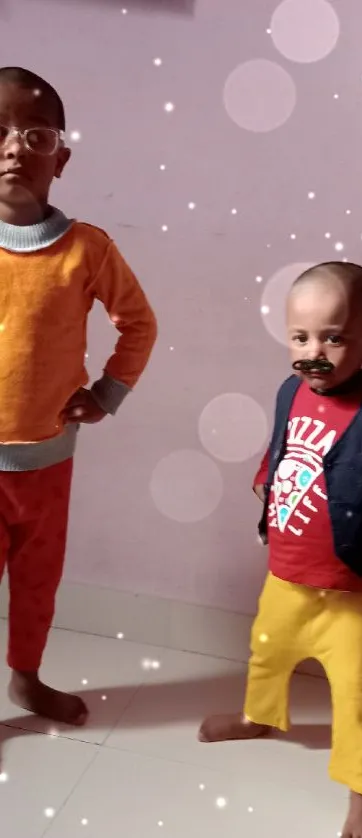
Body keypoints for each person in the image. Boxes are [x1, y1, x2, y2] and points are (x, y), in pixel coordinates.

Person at [199, 261, 362, 838]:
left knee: (359, 695)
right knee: (266, 651)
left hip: (350, 590)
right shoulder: (291, 388)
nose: (314, 352)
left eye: (334, 338)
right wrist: (266, 474)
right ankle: (258, 716)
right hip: (286, 574)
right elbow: (284, 442)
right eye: (301, 337)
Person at [0, 67, 157, 726]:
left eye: (35, 136)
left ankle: (25, 680)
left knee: (37, 587)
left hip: (49, 466)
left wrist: (106, 394)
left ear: (60, 159)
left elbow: (139, 323)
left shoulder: (86, 249)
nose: (13, 147)